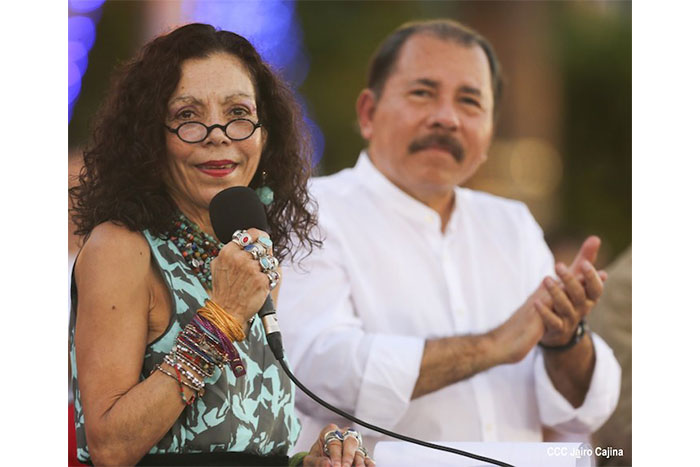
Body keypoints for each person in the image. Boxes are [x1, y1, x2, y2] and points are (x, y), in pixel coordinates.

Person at [276, 19, 622, 454]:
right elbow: (318, 372)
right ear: (368, 113)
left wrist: (566, 339)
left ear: (490, 130)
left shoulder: (511, 224)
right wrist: (493, 346)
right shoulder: (312, 211)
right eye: (422, 93)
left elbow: (580, 412)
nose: (446, 118)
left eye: (470, 101)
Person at [69, 23, 374, 467]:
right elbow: (111, 448)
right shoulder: (120, 248)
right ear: (151, 138)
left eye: (238, 113)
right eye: (188, 116)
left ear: (264, 135)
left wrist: (308, 460)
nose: (219, 134)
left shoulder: (247, 255)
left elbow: (236, 443)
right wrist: (223, 317)